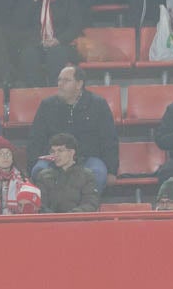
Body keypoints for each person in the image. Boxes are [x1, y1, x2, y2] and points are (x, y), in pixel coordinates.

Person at [29, 66, 120, 196]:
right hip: (54, 158)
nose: (60, 84)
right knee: (38, 170)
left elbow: (109, 139)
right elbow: (36, 138)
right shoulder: (47, 105)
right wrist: (31, 166)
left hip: (87, 158)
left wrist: (112, 171)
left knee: (98, 174)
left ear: (79, 84)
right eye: (59, 80)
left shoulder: (98, 104)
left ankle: (84, 211)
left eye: (66, 81)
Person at [33, 132, 101, 212]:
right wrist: (54, 219)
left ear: (72, 152)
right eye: (53, 151)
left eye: (60, 151)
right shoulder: (43, 176)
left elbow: (90, 203)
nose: (56, 155)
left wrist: (70, 217)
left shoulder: (87, 175)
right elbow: (40, 204)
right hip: (51, 222)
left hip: (77, 221)